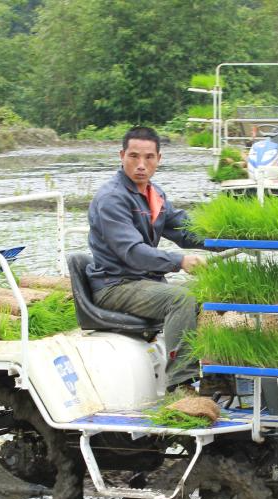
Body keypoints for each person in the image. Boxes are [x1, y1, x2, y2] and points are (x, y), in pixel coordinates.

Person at [86, 126, 208, 388]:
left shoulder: (154, 195)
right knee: (181, 298)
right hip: (116, 285)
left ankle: (217, 376)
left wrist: (230, 236)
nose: (141, 165)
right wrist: (180, 261)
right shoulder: (112, 198)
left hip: (144, 283)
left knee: (210, 290)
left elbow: (185, 231)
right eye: (134, 156)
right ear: (122, 155)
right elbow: (132, 253)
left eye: (149, 157)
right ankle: (181, 384)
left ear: (159, 159)